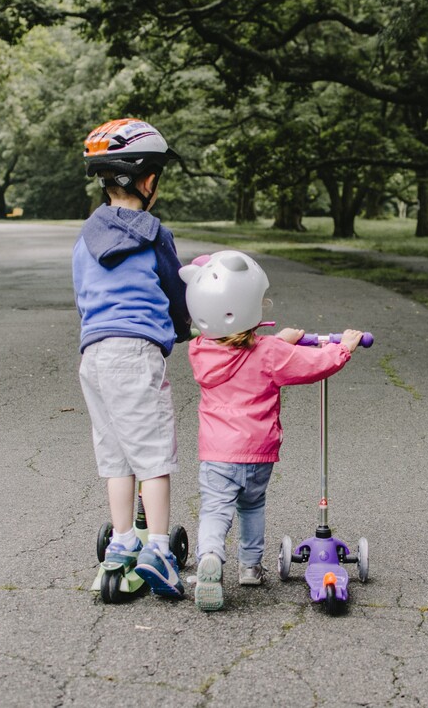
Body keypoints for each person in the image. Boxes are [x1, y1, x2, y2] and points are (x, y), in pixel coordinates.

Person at [179, 250, 363, 611]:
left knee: (216, 510)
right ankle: (249, 567)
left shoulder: (201, 351)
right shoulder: (269, 353)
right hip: (258, 452)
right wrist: (343, 348)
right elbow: (311, 364)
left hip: (217, 452)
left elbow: (240, 348)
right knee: (252, 506)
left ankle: (210, 558)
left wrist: (280, 339)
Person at [73, 118, 191, 598]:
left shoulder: (85, 237)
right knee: (153, 455)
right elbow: (176, 289)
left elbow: (83, 295)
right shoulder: (153, 233)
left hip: (94, 355)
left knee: (116, 455)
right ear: (147, 182)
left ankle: (121, 542)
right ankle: (159, 549)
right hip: (135, 353)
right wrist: (185, 329)